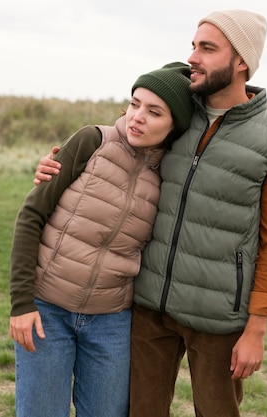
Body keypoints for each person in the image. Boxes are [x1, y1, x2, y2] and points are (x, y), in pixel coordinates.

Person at [34, 9, 267, 417]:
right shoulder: (178, 114)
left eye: (207, 48)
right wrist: (61, 162)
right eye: (193, 46)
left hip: (218, 318)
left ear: (242, 62)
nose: (193, 56)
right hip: (148, 307)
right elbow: (123, 142)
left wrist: (257, 326)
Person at [10, 63, 194, 417]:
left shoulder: (173, 175)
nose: (138, 117)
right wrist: (21, 303)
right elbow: (31, 216)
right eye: (135, 103)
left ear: (176, 125)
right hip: (47, 311)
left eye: (154, 112)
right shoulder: (92, 141)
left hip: (111, 321)